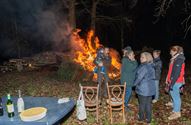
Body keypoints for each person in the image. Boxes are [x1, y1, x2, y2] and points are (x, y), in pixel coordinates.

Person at [134, 52, 156, 124]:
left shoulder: (144, 66)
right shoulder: (151, 65)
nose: (141, 58)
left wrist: (133, 84)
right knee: (148, 104)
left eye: (143, 57)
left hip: (143, 89)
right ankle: (148, 119)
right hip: (150, 88)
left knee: (142, 104)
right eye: (140, 57)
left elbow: (139, 78)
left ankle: (141, 118)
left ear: (147, 58)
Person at [165, 45, 185, 120]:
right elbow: (171, 70)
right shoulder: (175, 59)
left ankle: (177, 113)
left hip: (176, 81)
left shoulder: (179, 59)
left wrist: (172, 83)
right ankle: (175, 109)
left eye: (171, 50)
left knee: (176, 97)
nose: (170, 52)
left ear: (176, 51)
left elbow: (177, 73)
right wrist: (168, 79)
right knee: (173, 95)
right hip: (173, 80)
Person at [120, 46, 138, 111]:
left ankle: (125, 103)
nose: (134, 55)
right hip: (127, 81)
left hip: (128, 80)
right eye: (133, 54)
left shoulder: (127, 59)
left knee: (127, 92)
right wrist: (134, 61)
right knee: (128, 92)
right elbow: (131, 68)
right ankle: (124, 105)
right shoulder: (125, 59)